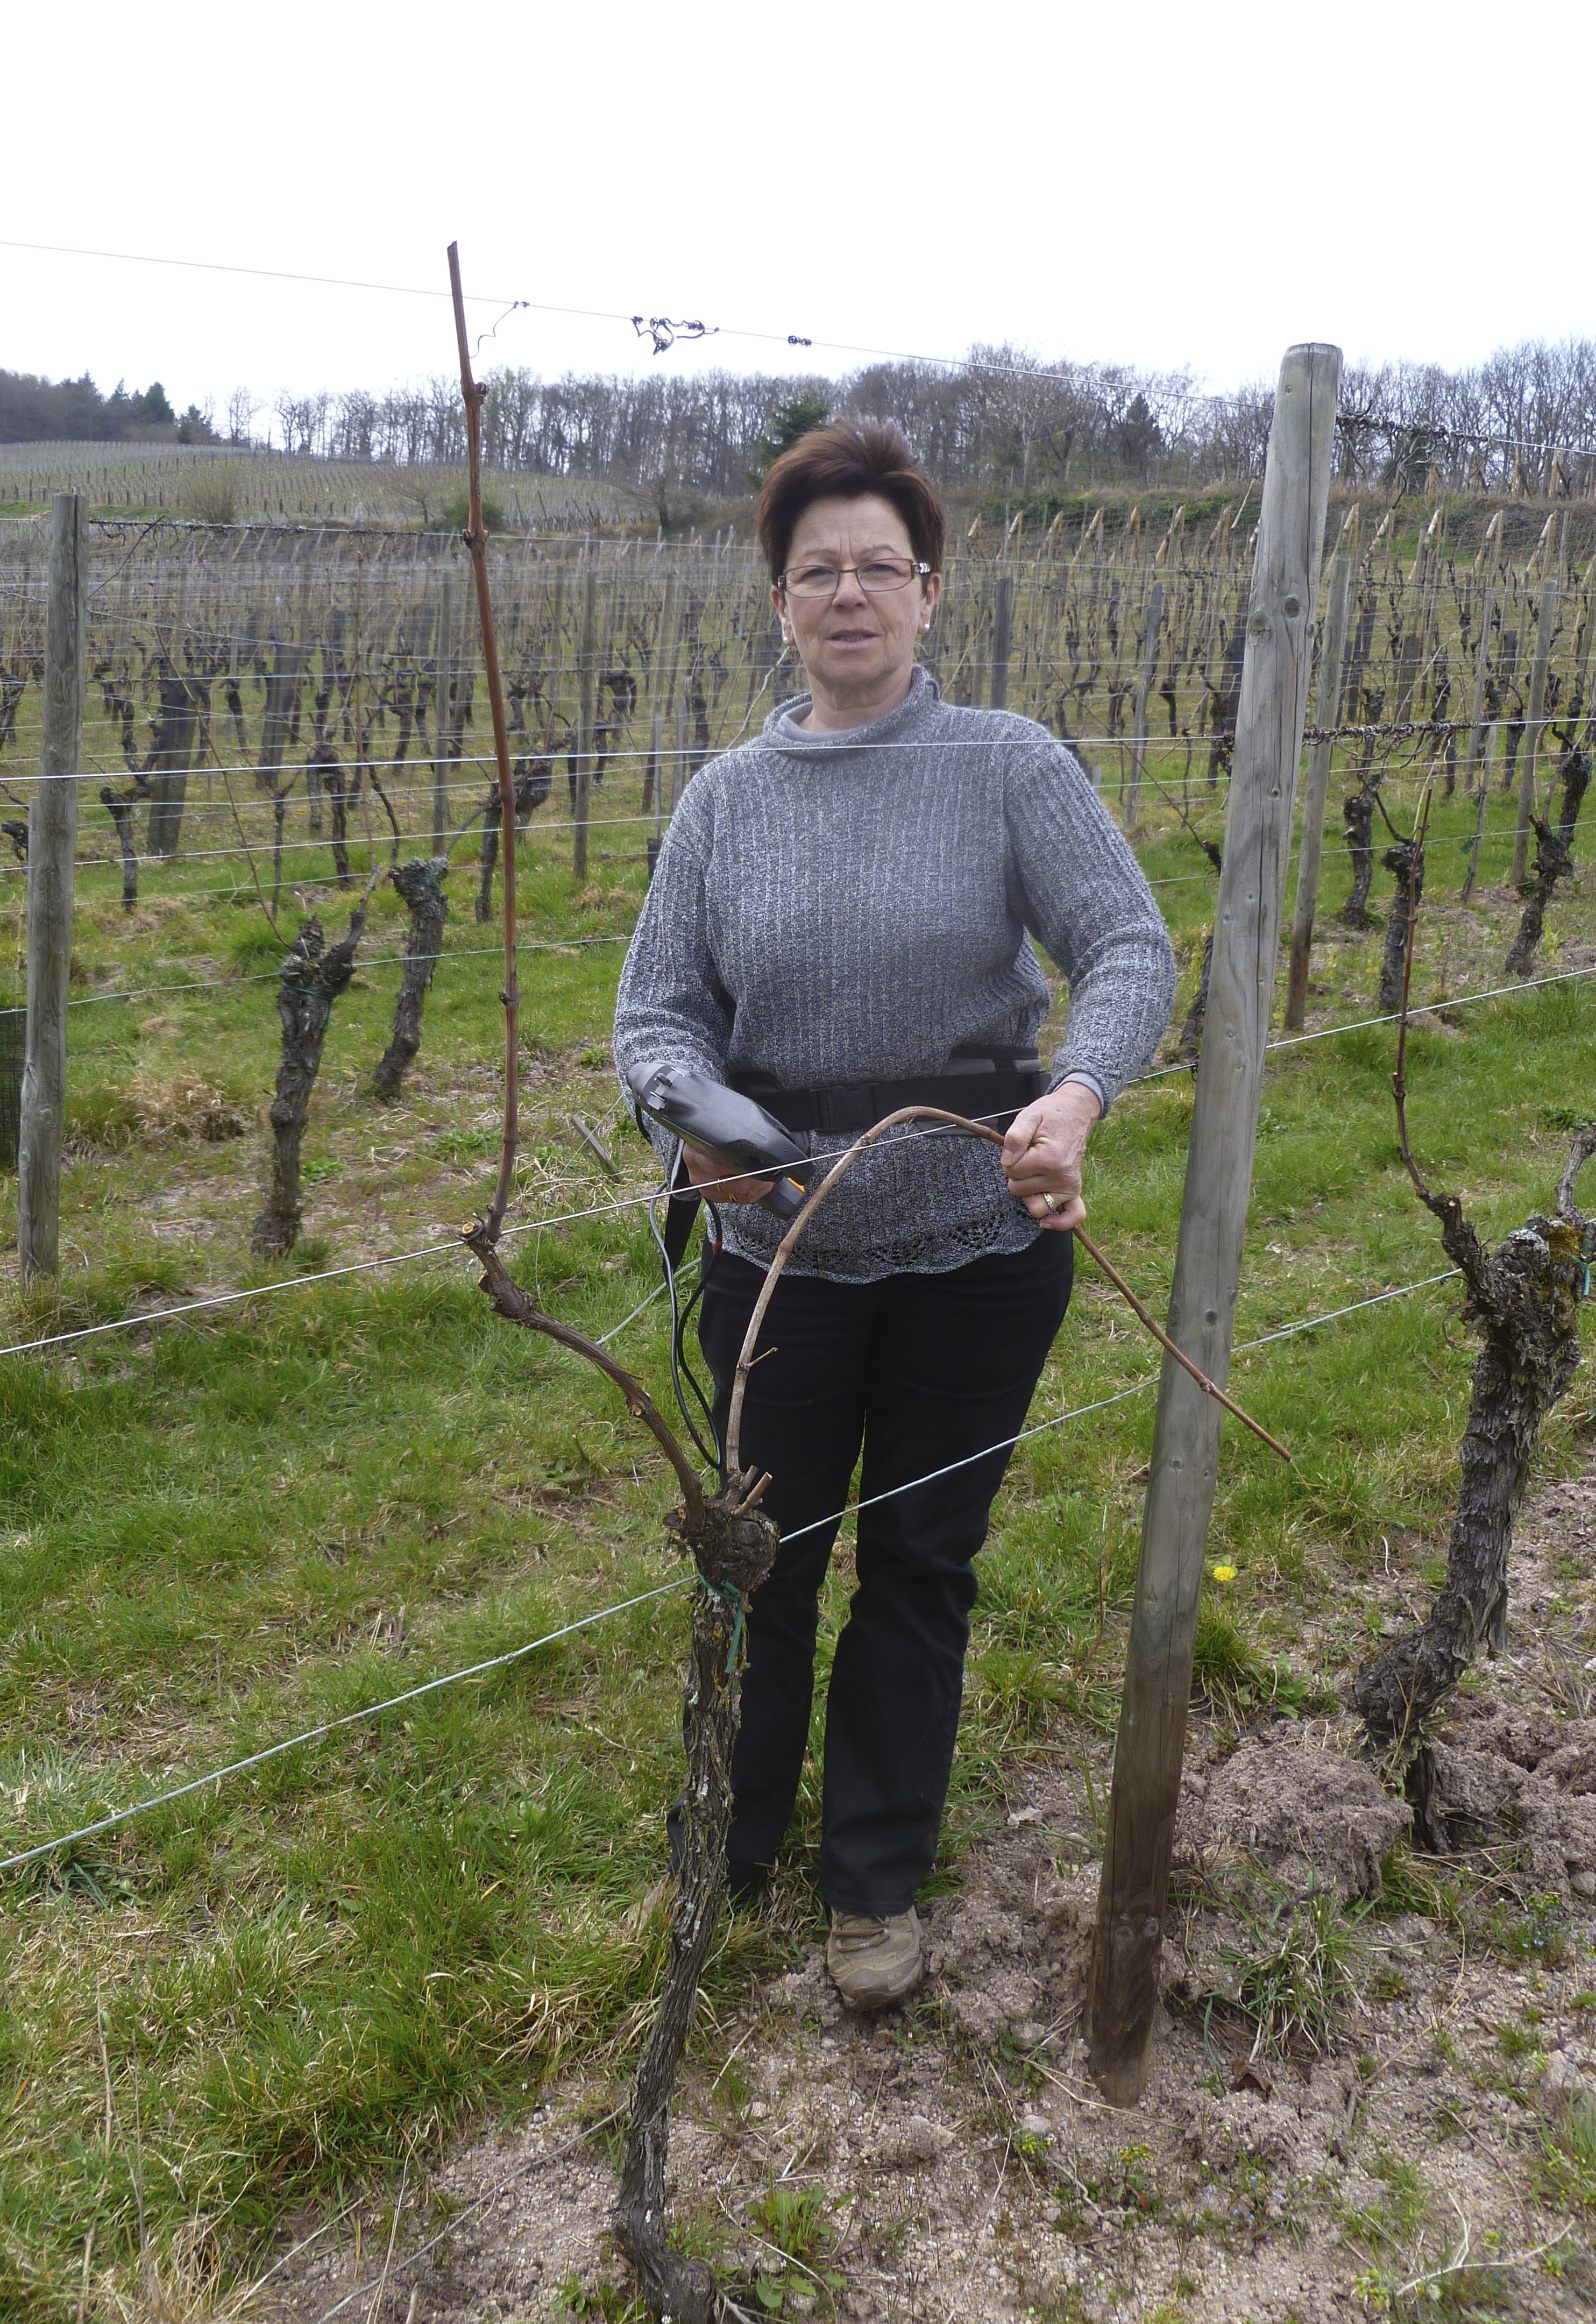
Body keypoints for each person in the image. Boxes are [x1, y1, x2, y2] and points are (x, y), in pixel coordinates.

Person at [613, 422, 1174, 2008]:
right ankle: (724, 1847)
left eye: (879, 567)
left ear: (929, 593)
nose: (848, 594)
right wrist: (703, 1124)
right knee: (760, 1558)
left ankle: (873, 1883)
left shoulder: (1009, 765)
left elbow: (1128, 949)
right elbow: (652, 1017)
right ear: (777, 603)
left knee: (920, 1560)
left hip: (974, 1247)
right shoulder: (725, 802)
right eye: (816, 571)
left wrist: (1076, 1096)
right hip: (775, 1252)